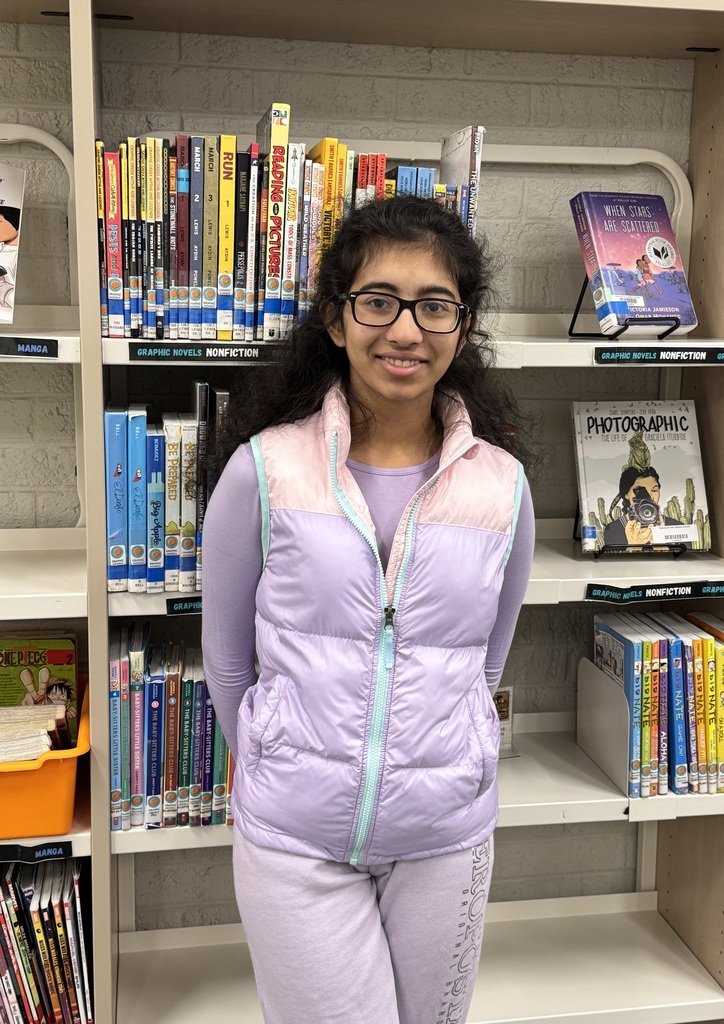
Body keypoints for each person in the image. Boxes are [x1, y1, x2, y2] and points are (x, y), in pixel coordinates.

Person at [201, 195, 535, 1024]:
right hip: (296, 843)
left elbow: (486, 662)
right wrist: (280, 762)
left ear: (462, 325)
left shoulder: (504, 487)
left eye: (435, 306)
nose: (406, 330)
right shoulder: (263, 472)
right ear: (336, 319)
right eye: (378, 301)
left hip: (446, 837)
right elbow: (227, 659)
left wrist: (453, 752)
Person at [603, 465, 683, 548]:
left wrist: (660, 545)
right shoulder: (613, 530)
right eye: (640, 491)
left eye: (654, 490)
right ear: (626, 494)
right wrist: (633, 547)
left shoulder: (677, 526)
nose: (649, 496)